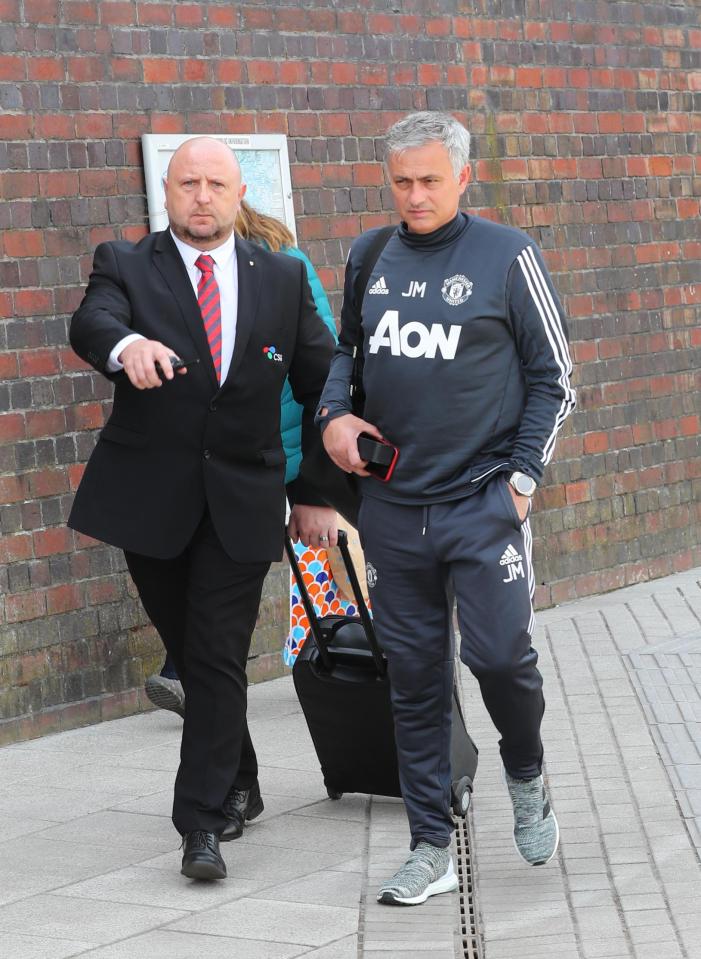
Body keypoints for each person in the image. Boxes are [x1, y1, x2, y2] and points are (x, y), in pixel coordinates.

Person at [319, 112, 576, 906]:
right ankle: (430, 842)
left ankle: (525, 771)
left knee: (498, 658)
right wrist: (334, 416)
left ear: (463, 177)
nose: (415, 194)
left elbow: (554, 377)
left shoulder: (507, 256)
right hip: (393, 507)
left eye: (430, 179)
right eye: (401, 180)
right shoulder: (371, 253)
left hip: (481, 502)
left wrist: (522, 481)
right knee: (415, 678)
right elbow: (346, 355)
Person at [68, 136, 337, 881]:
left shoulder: (279, 277)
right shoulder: (124, 263)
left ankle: (201, 823)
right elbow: (91, 322)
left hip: (244, 501)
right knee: (193, 653)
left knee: (216, 655)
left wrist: (316, 488)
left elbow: (325, 382)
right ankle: (239, 775)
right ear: (167, 188)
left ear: (238, 191)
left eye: (216, 183)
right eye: (188, 183)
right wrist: (127, 348)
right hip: (148, 502)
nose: (202, 197)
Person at [143, 198, 338, 713]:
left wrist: (311, 486)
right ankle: (190, 672)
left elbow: (320, 362)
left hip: (263, 453)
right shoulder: (226, 271)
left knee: (229, 568)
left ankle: (192, 672)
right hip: (237, 453)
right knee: (217, 563)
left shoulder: (282, 268)